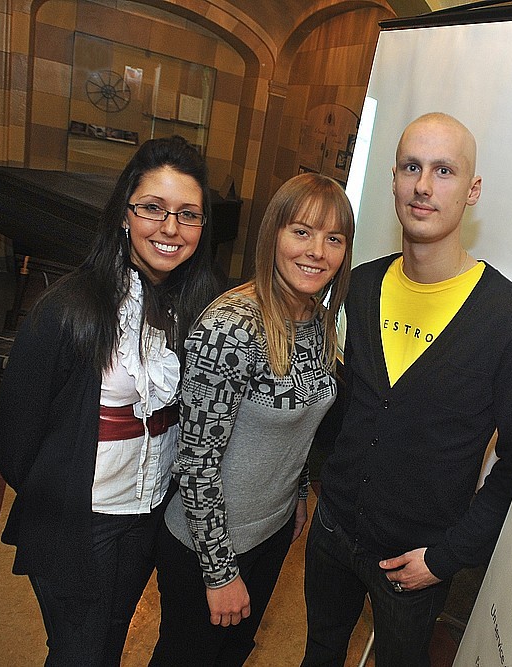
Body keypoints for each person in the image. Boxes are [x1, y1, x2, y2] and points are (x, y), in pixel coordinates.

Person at [301, 112, 512, 666]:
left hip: (416, 565)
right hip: (332, 537)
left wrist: (445, 558)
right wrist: (319, 496)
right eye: (411, 167)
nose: (423, 185)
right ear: (393, 178)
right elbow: (330, 406)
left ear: (472, 190)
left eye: (444, 171)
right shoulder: (358, 286)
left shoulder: (509, 319)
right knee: (319, 654)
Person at [0, 135, 221, 666]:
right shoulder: (68, 309)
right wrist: (61, 493)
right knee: (82, 654)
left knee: (105, 645)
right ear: (124, 213)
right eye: (153, 209)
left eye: (188, 215)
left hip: (145, 520)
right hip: (77, 523)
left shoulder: (198, 306)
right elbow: (13, 436)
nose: (170, 228)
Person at [150, 172, 354, 665]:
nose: (316, 251)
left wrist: (299, 490)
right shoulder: (232, 328)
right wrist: (219, 573)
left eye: (333, 238)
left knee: (233, 652)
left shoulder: (317, 320)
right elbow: (195, 463)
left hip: (273, 529)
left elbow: (303, 419)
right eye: (301, 231)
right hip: (208, 545)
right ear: (273, 236)